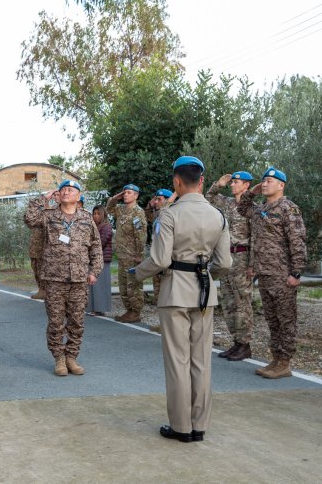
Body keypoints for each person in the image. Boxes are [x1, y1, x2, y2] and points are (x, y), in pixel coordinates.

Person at [134, 156, 231, 443]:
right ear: (201, 181)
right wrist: (204, 273)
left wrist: (137, 273)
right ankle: (199, 424)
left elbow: (160, 259)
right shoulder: (218, 215)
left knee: (178, 360)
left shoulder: (169, 214)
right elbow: (224, 262)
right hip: (204, 292)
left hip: (176, 290)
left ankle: (181, 426)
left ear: (176, 181)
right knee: (201, 359)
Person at [24, 180, 103, 377]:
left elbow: (96, 247)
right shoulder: (49, 216)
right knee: (56, 321)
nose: (66, 192)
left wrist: (94, 271)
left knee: (77, 321)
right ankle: (59, 357)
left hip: (78, 279)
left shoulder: (86, 218)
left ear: (78, 195)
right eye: (63, 190)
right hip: (54, 278)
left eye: (71, 190)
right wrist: (43, 199)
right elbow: (29, 219)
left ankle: (71, 357)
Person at [237, 168, 307, 377]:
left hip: (282, 275)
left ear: (281, 185)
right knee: (272, 320)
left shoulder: (288, 208)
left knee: (286, 320)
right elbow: (242, 209)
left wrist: (296, 273)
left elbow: (297, 241)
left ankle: (284, 362)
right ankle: (275, 358)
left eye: (269, 181)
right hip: (265, 273)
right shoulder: (260, 210)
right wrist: (252, 192)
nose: (265, 184)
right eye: (263, 181)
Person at [206, 171, 255, 362]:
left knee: (242, 301)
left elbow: (256, 237)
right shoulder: (226, 202)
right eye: (232, 182)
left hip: (242, 255)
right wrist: (218, 184)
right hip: (225, 255)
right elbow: (209, 198)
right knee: (228, 301)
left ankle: (245, 344)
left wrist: (253, 264)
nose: (232, 185)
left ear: (247, 185)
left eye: (236, 182)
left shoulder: (252, 208)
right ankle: (236, 342)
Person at [108, 184, 147, 322]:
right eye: (124, 193)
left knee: (133, 286)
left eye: (129, 192)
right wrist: (115, 197)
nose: (125, 195)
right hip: (122, 255)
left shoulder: (138, 212)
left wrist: (139, 255)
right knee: (123, 285)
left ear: (136, 195)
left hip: (132, 256)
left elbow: (141, 235)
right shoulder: (120, 210)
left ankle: (135, 312)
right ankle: (129, 310)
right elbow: (108, 208)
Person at [145, 189, 173, 306]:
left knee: (167, 290)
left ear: (167, 201)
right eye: (155, 199)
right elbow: (146, 215)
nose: (156, 202)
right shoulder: (157, 215)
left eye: (159, 199)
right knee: (157, 288)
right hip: (156, 256)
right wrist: (150, 205)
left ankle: (167, 322)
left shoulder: (171, 214)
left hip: (167, 257)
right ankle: (160, 320)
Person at [87, 204, 113, 316]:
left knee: (100, 285)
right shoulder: (93, 226)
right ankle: (93, 308)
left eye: (98, 214)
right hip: (93, 258)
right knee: (93, 285)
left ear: (103, 214)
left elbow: (101, 242)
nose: (96, 216)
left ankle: (100, 308)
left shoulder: (106, 227)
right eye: (94, 213)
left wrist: (87, 248)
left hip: (102, 259)